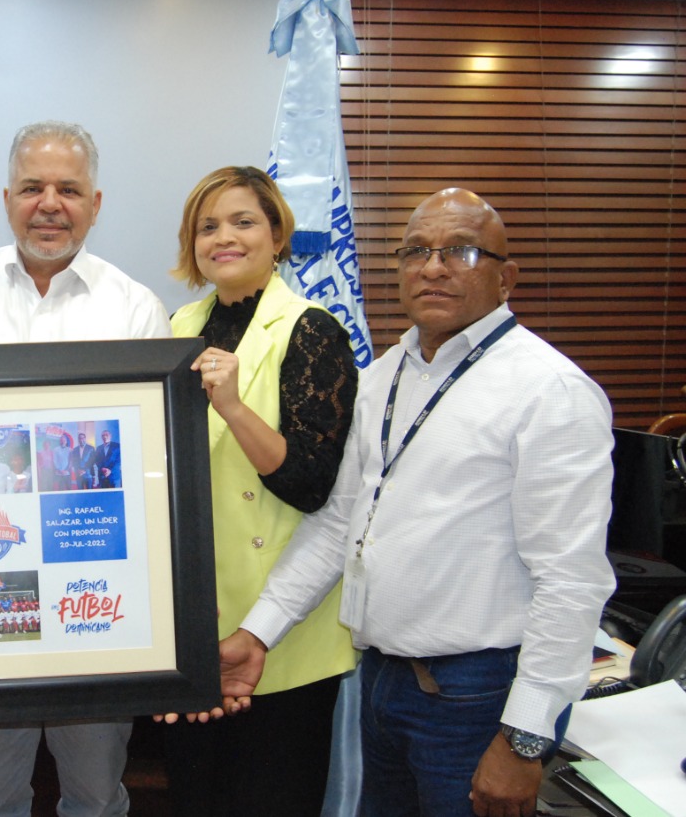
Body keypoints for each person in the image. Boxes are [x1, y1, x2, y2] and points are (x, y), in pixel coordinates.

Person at [215, 188, 616, 817]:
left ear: (506, 277)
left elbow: (571, 580)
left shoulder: (549, 390)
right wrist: (257, 633)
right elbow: (338, 526)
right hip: (383, 681)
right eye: (415, 252)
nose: (433, 267)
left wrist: (525, 738)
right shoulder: (382, 377)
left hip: (478, 695)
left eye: (460, 251)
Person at [0, 120, 171, 817]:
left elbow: (150, 459)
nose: (49, 204)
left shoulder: (135, 306)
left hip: (97, 593)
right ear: (6, 199)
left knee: (96, 794)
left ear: (96, 203)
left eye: (69, 189)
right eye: (32, 187)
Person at [160, 166, 358, 816]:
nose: (224, 237)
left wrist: (234, 407)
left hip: (282, 626)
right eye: (207, 226)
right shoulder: (177, 326)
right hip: (193, 622)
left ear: (277, 235)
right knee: (195, 800)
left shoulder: (312, 329)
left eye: (243, 221)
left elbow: (310, 484)